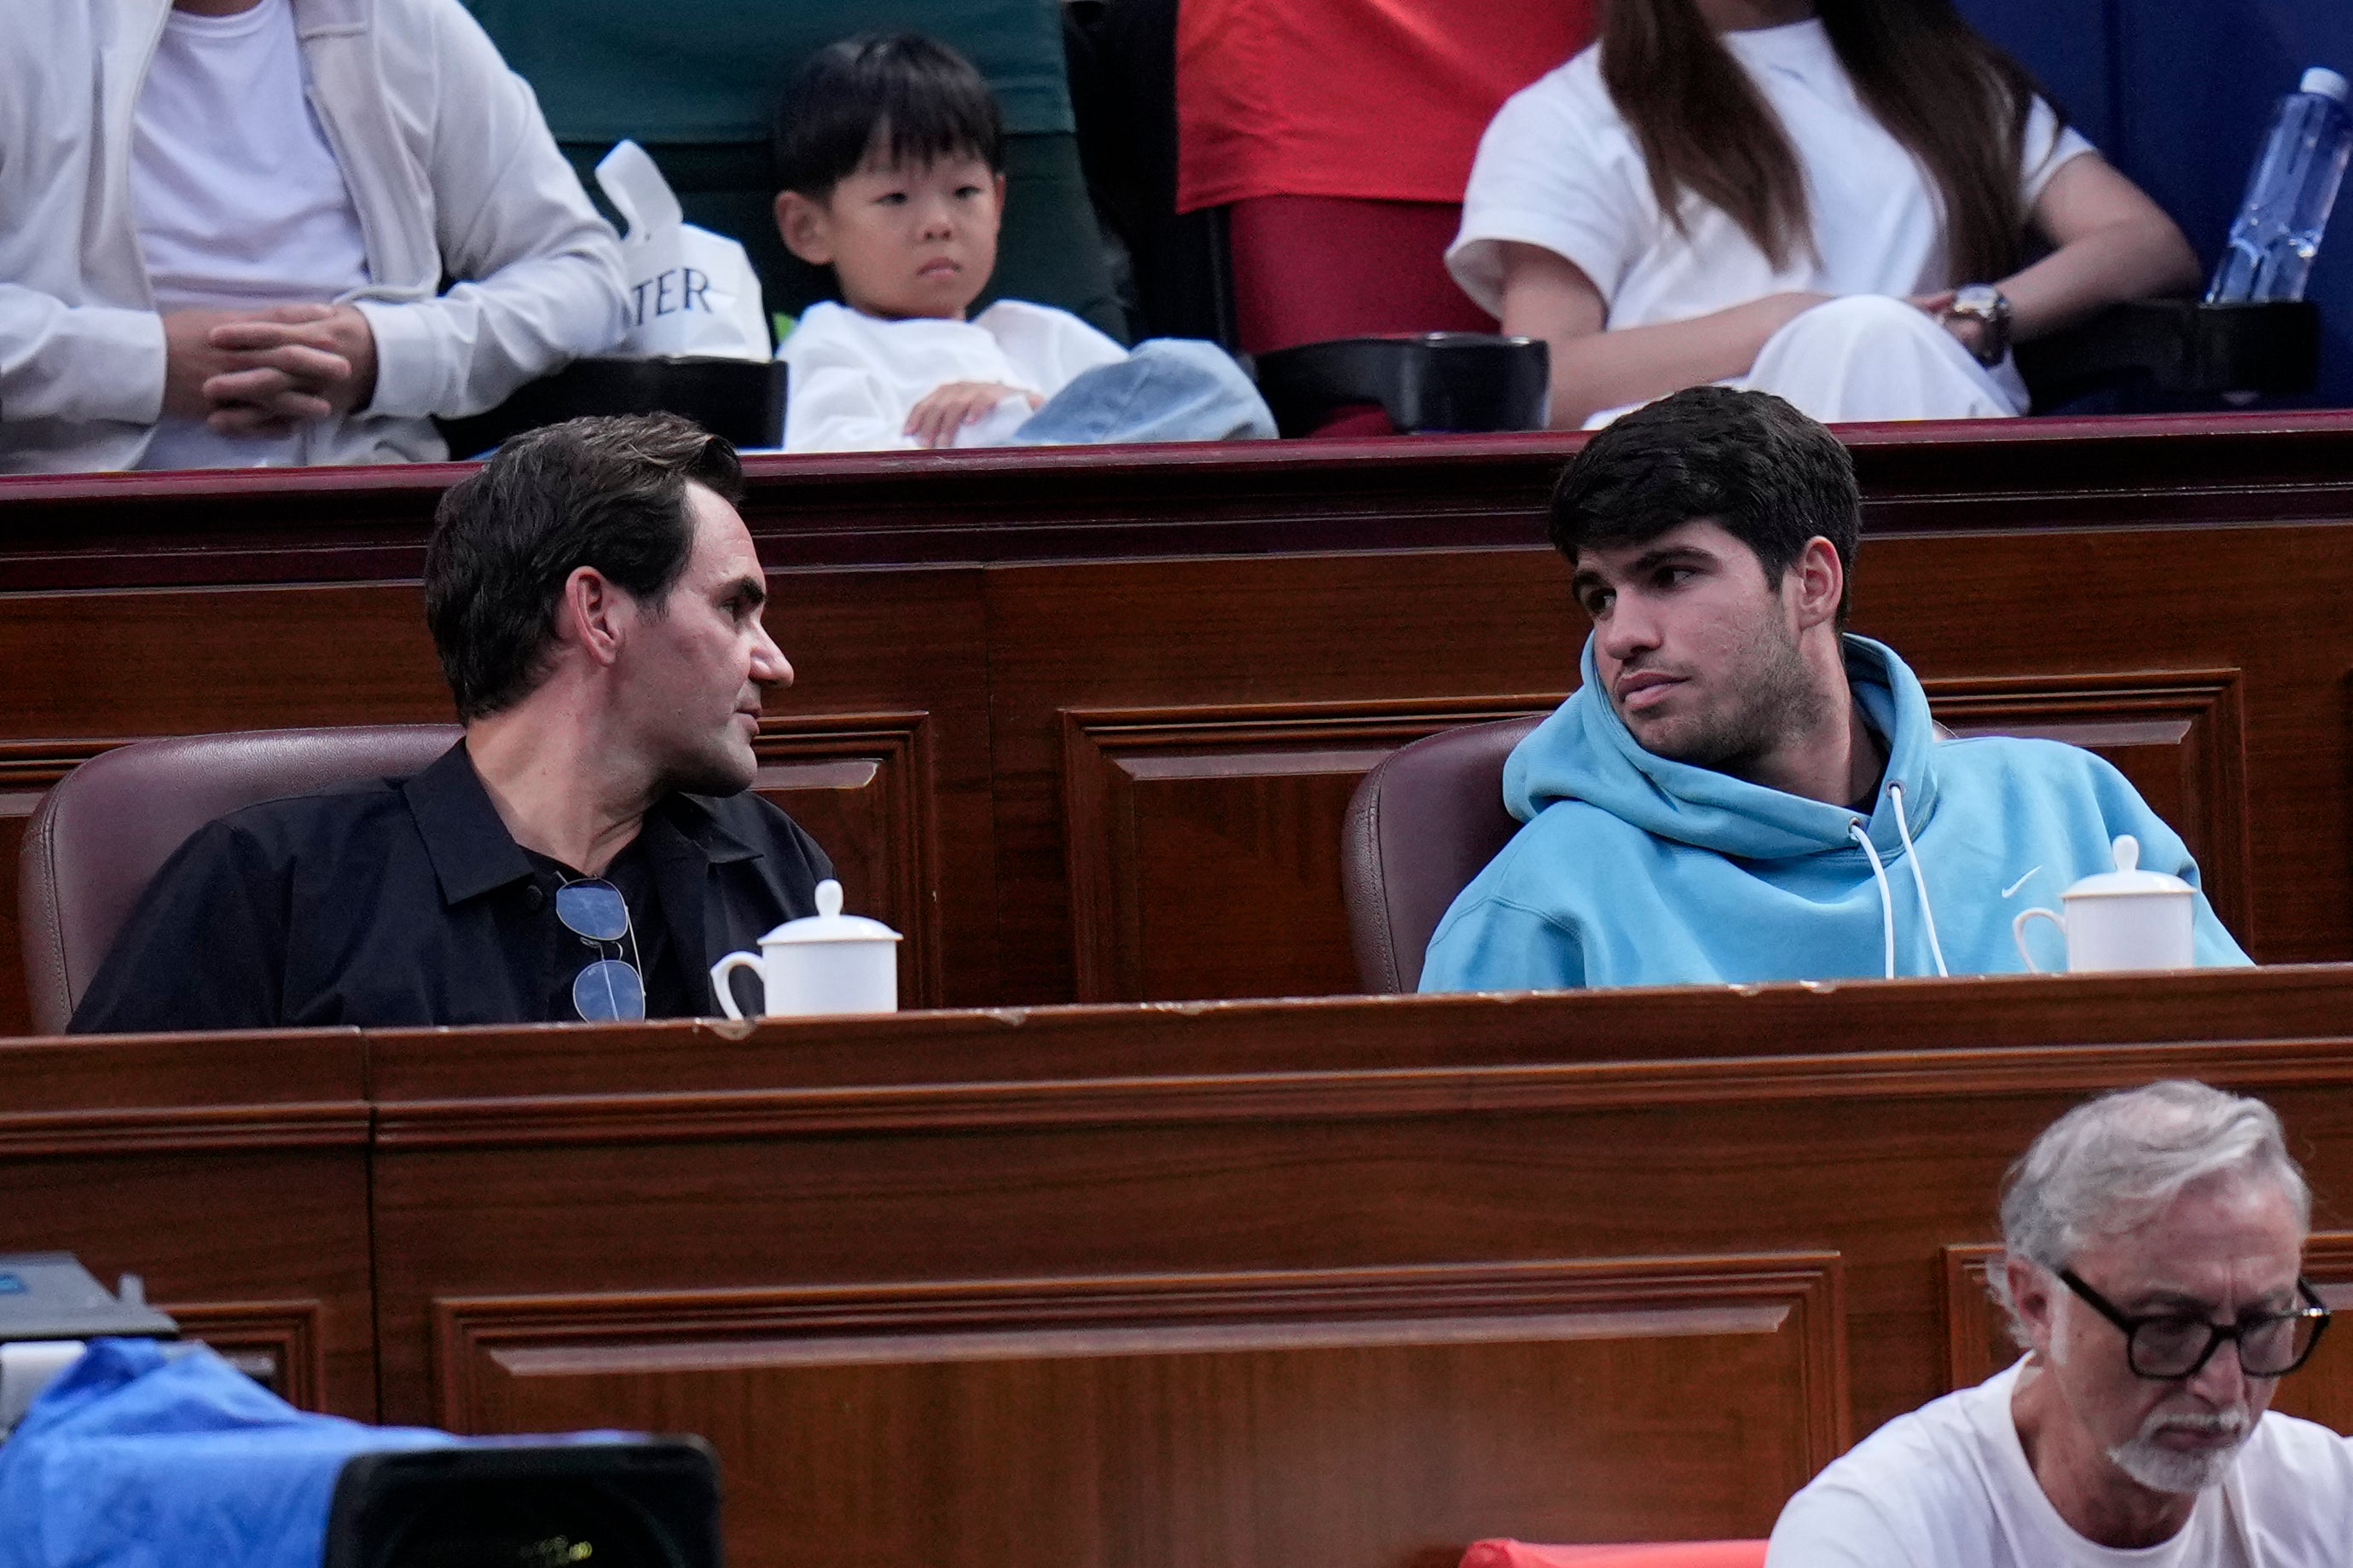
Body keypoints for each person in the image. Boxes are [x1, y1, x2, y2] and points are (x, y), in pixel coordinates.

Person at [1417, 386, 2245, 992]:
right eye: (1599, 594)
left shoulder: (2067, 808)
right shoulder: (1542, 904)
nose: (1620, 634)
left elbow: (2239, 1103)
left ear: (1811, 583)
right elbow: (1458, 1213)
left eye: (1668, 574)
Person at [70, 414, 831, 1033]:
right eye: (734, 609)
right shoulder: (272, 881)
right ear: (597, 613)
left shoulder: (774, 866)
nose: (776, 664)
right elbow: (106, 1187)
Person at [1446, 0, 2203, 428]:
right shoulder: (1571, 114)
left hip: (1925, 408)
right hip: (1691, 473)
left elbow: (2142, 241)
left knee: (1871, 339)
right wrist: (1792, 321)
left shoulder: (1941, 78)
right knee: (1858, 333)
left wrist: (1980, 315)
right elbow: (1541, 380)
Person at [1, 0, 627, 474]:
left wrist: (384, 354)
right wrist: (149, 366)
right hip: (69, 533)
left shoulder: (405, 20)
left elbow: (583, 272)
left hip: (360, 519)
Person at [1768, 1079, 2352, 1563]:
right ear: (2037, 1304)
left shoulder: (2331, 1502)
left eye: (2261, 1323)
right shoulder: (1876, 1531)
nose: (2225, 1386)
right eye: (2168, 1328)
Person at [771, 33, 1274, 453]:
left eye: (965, 191)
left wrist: (1031, 408)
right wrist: (997, 432)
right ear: (808, 228)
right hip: (958, 520)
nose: (939, 224)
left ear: (999, 203)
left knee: (1203, 372)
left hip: (1105, 512)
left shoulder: (1039, 334)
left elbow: (1154, 413)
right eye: (895, 197)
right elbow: (828, 477)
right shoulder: (830, 344)